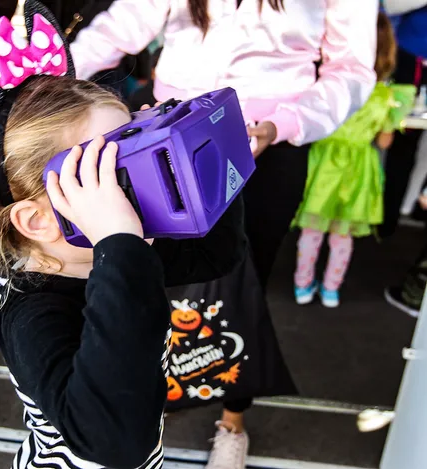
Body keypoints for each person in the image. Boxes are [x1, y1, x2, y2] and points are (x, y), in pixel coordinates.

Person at [0, 0, 247, 467]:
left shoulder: (116, 249)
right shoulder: (34, 311)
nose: (139, 185)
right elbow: (115, 441)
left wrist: (190, 145)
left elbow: (215, 257)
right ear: (39, 219)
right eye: (112, 176)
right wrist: (119, 246)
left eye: (135, 144)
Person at [68, 1, 377, 466]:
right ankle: (150, 401)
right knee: (144, 272)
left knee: (244, 283)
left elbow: (352, 68)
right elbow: (124, 23)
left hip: (269, 144)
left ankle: (233, 419)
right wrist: (53, 72)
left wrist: (286, 124)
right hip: (166, 133)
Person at [292, 13, 416, 308]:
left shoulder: (325, 85)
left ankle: (302, 285)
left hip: (323, 164)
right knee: (342, 235)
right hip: (359, 169)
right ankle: (332, 289)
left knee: (312, 231)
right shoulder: (386, 96)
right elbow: (385, 141)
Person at [378, 0, 427, 236]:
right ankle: (383, 220)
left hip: (412, 54)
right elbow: (390, 4)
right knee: (397, 140)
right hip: (409, 57)